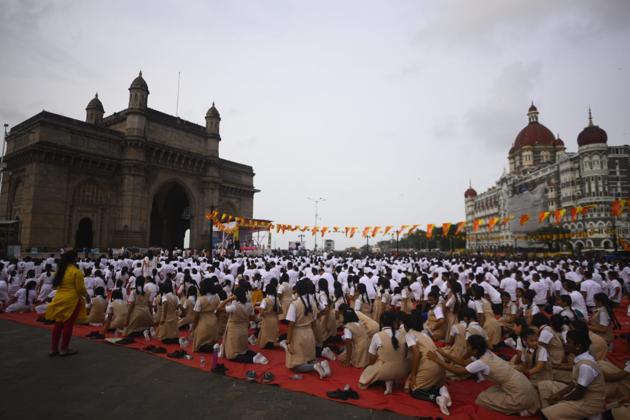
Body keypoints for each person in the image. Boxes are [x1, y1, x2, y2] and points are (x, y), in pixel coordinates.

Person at [428, 335, 540, 416]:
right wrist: (445, 355)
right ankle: (522, 404)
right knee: (489, 393)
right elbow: (464, 363)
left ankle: (519, 410)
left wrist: (437, 360)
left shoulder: (481, 362)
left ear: (475, 350)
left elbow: (459, 371)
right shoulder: (486, 353)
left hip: (519, 392)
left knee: (481, 399)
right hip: (520, 382)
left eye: (468, 347)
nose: (466, 349)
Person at [538, 329, 606, 420]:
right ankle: (551, 412)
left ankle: (551, 413)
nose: (565, 344)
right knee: (544, 385)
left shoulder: (585, 365)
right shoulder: (580, 359)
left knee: (547, 413)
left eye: (568, 342)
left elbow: (579, 393)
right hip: (580, 395)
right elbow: (574, 383)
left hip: (589, 403)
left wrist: (561, 399)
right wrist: (559, 394)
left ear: (578, 346)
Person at [403, 310, 451, 416]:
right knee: (428, 383)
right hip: (439, 363)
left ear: (407, 326)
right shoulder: (424, 334)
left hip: (431, 364)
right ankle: (442, 389)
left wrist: (413, 375)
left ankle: (436, 398)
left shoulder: (409, 334)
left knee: (415, 390)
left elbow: (416, 354)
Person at [45, 250, 89, 357]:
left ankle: (53, 349)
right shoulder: (76, 272)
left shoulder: (60, 270)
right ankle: (64, 349)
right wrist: (86, 295)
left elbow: (56, 286)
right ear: (74, 259)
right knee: (68, 325)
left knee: (58, 324)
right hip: (72, 300)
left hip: (59, 298)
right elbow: (80, 289)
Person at [285, 279, 331, 378]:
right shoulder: (313, 302)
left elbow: (291, 325)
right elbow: (314, 322)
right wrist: (318, 337)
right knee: (308, 358)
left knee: (296, 365)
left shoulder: (295, 304)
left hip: (298, 335)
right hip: (309, 333)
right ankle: (321, 364)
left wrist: (288, 342)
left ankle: (315, 367)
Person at [359, 311, 408, 395]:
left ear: (381, 322)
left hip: (386, 369)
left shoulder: (377, 335)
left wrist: (371, 367)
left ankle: (387, 379)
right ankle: (391, 380)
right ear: (395, 322)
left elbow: (372, 357)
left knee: (364, 377)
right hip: (403, 370)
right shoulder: (402, 334)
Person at [218, 287, 268, 365]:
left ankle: (253, 359)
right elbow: (252, 318)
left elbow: (219, 308)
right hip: (244, 330)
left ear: (235, 296)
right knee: (243, 350)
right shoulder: (250, 305)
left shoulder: (234, 307)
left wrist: (229, 299)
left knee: (233, 355)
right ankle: (257, 356)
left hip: (234, 332)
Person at [191, 278, 220, 352]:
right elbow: (219, 310)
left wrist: (193, 326)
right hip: (213, 319)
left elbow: (196, 315)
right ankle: (213, 347)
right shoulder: (217, 297)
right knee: (211, 339)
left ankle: (210, 348)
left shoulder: (200, 299)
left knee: (199, 344)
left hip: (203, 321)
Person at [257, 283, 280, 349]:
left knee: (266, 336)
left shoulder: (265, 300)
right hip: (275, 319)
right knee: (273, 335)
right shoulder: (277, 299)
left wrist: (267, 313)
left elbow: (261, 312)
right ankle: (275, 344)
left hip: (267, 320)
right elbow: (281, 311)